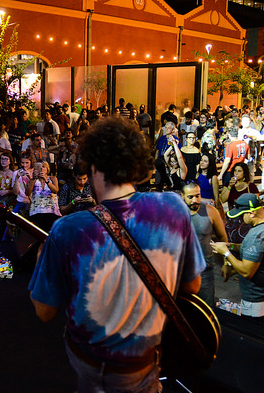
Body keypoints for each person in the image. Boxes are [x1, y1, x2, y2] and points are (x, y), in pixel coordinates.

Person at [29, 118, 204, 393]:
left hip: (93, 367)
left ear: (94, 166)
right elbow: (192, 286)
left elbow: (44, 311)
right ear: (134, 165)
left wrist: (43, 255)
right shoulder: (174, 207)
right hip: (149, 362)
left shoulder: (68, 229)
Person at [212, 193, 264, 325]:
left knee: (253, 334)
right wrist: (231, 246)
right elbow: (257, 252)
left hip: (256, 301)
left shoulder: (257, 236)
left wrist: (226, 253)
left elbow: (246, 272)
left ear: (252, 213)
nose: (240, 220)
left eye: (242, 215)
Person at [181, 182, 227, 306]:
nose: (195, 200)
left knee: (207, 310)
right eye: (190, 197)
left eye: (197, 196)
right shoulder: (176, 214)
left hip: (205, 273)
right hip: (183, 273)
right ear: (182, 196)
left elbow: (222, 237)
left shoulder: (210, 211)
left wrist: (227, 262)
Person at [220, 162, 259, 244]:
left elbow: (256, 203)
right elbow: (223, 199)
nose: (236, 173)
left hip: (245, 221)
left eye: (239, 171)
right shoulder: (229, 185)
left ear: (244, 173)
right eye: (235, 171)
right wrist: (229, 187)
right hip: (232, 220)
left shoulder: (251, 187)